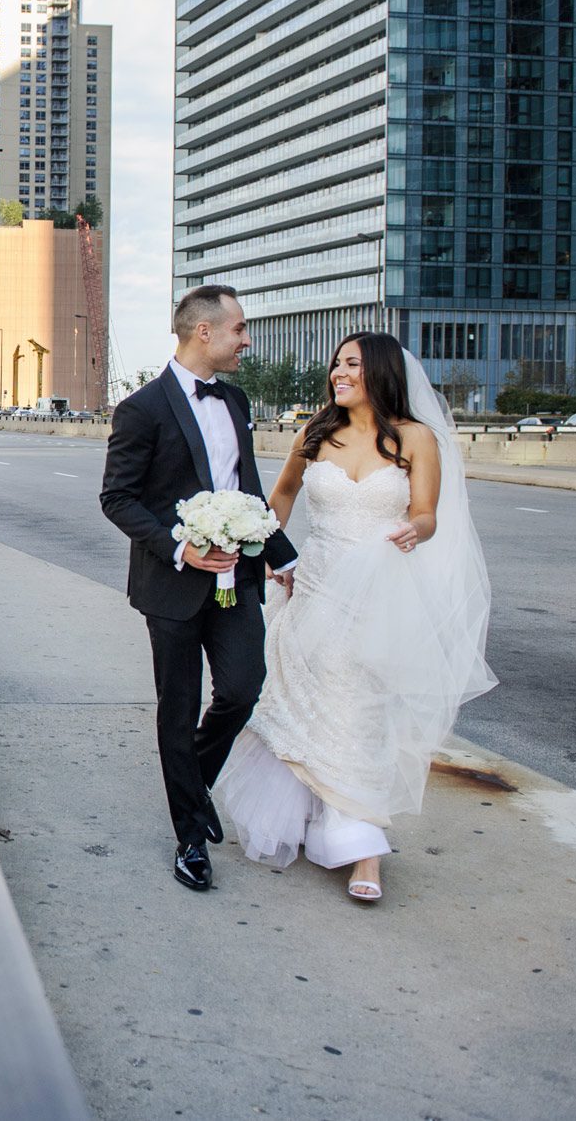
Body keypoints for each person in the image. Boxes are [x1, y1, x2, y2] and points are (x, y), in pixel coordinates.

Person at [215, 332, 497, 902]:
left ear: (382, 373)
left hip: (377, 592)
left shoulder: (416, 438)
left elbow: (426, 514)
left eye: (352, 365)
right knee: (307, 702)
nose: (339, 373)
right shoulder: (315, 433)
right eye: (336, 364)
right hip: (315, 585)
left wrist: (413, 530)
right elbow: (283, 496)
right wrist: (266, 549)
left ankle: (363, 849)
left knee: (361, 709)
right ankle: (309, 821)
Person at [99, 285, 299, 892]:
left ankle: (194, 790)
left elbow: (249, 485)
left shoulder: (235, 399)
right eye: (239, 329)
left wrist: (282, 555)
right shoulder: (141, 409)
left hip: (238, 575)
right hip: (172, 583)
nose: (246, 340)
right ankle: (190, 834)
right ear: (203, 332)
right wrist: (183, 548)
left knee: (242, 689)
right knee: (178, 707)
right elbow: (117, 499)